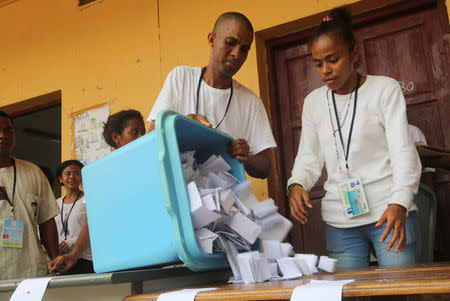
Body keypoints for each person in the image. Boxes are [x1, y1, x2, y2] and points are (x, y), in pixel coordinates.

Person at [287, 8, 422, 269]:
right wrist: (297, 184)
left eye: (333, 59)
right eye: (318, 63)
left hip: (389, 211)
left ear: (354, 53)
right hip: (341, 222)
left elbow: (403, 151)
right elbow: (308, 156)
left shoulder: (385, 89)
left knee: (398, 291)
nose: (325, 70)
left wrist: (400, 201)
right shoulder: (313, 102)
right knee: (347, 291)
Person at [147, 12, 276, 179]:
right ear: (212, 39)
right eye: (230, 43)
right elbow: (151, 140)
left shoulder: (252, 103)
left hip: (224, 200)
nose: (237, 54)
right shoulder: (181, 78)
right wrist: (182, 126)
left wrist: (247, 157)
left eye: (244, 49)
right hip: (180, 191)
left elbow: (265, 169)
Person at [49, 109, 146, 273]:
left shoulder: (150, 166)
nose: (141, 137)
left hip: (152, 251)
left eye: (143, 132)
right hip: (120, 257)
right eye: (134, 132)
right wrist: (73, 255)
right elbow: (93, 222)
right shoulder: (100, 176)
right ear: (116, 137)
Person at [0, 111, 59, 280]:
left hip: (31, 273)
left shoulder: (33, 172)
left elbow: (47, 220)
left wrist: (55, 261)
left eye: (8, 130)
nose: (3, 135)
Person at [54, 159, 93, 274]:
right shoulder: (55, 203)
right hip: (59, 259)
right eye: (67, 173)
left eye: (77, 173)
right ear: (60, 179)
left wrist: (69, 243)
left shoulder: (88, 199)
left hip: (84, 259)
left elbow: (91, 227)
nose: (72, 177)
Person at [409, 124, 435, 190]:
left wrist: (429, 185)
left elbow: (428, 162)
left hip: (412, 183)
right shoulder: (380, 135)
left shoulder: (412, 130)